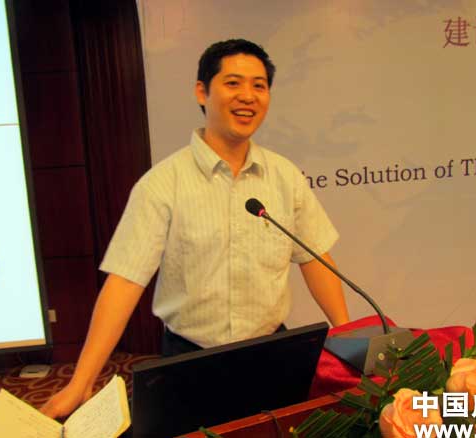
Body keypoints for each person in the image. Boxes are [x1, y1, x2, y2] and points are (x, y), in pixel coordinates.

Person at [40, 39, 349, 419]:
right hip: (190, 359)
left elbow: (316, 258)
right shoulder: (161, 184)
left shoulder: (285, 177)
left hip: (272, 353)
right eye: (233, 83)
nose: (247, 96)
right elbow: (124, 282)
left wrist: (348, 336)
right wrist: (81, 381)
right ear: (202, 92)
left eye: (259, 85)